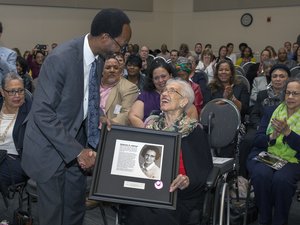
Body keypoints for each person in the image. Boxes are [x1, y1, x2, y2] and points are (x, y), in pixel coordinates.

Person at [21, 8, 132, 225]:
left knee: (74, 211)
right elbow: (42, 112)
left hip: (76, 144)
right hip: (50, 149)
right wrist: (76, 151)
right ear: (105, 38)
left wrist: (98, 115)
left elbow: (85, 96)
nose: (123, 50)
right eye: (122, 44)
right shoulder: (60, 59)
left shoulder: (99, 59)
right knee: (52, 216)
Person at [123, 79, 213, 225]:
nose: (164, 93)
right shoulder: (150, 127)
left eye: (172, 91)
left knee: (158, 214)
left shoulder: (194, 131)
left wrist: (187, 180)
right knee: (136, 208)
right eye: (164, 90)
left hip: (180, 194)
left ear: (184, 102)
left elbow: (204, 169)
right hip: (150, 190)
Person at [247, 77, 300, 225]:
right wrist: (272, 136)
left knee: (281, 180)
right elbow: (257, 140)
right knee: (261, 175)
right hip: (268, 154)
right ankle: (264, 218)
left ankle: (280, 221)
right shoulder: (271, 111)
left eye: (295, 93)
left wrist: (288, 133)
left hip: (294, 159)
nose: (290, 97)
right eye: (288, 93)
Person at [239, 64, 290, 178]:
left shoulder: (291, 96)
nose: (278, 79)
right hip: (261, 126)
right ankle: (242, 177)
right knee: (247, 140)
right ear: (270, 78)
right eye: (274, 76)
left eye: (282, 76)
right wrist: (259, 126)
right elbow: (254, 113)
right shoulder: (263, 94)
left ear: (288, 79)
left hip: (283, 128)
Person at [0, 72, 31, 199]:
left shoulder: (30, 111)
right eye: (12, 91)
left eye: (20, 90)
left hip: (17, 160)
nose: (17, 95)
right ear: (2, 92)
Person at [100, 56, 138, 126]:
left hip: (109, 130)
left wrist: (108, 122)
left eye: (116, 68)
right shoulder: (94, 84)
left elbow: (127, 114)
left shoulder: (129, 87)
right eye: (108, 68)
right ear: (102, 71)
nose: (112, 70)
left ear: (120, 72)